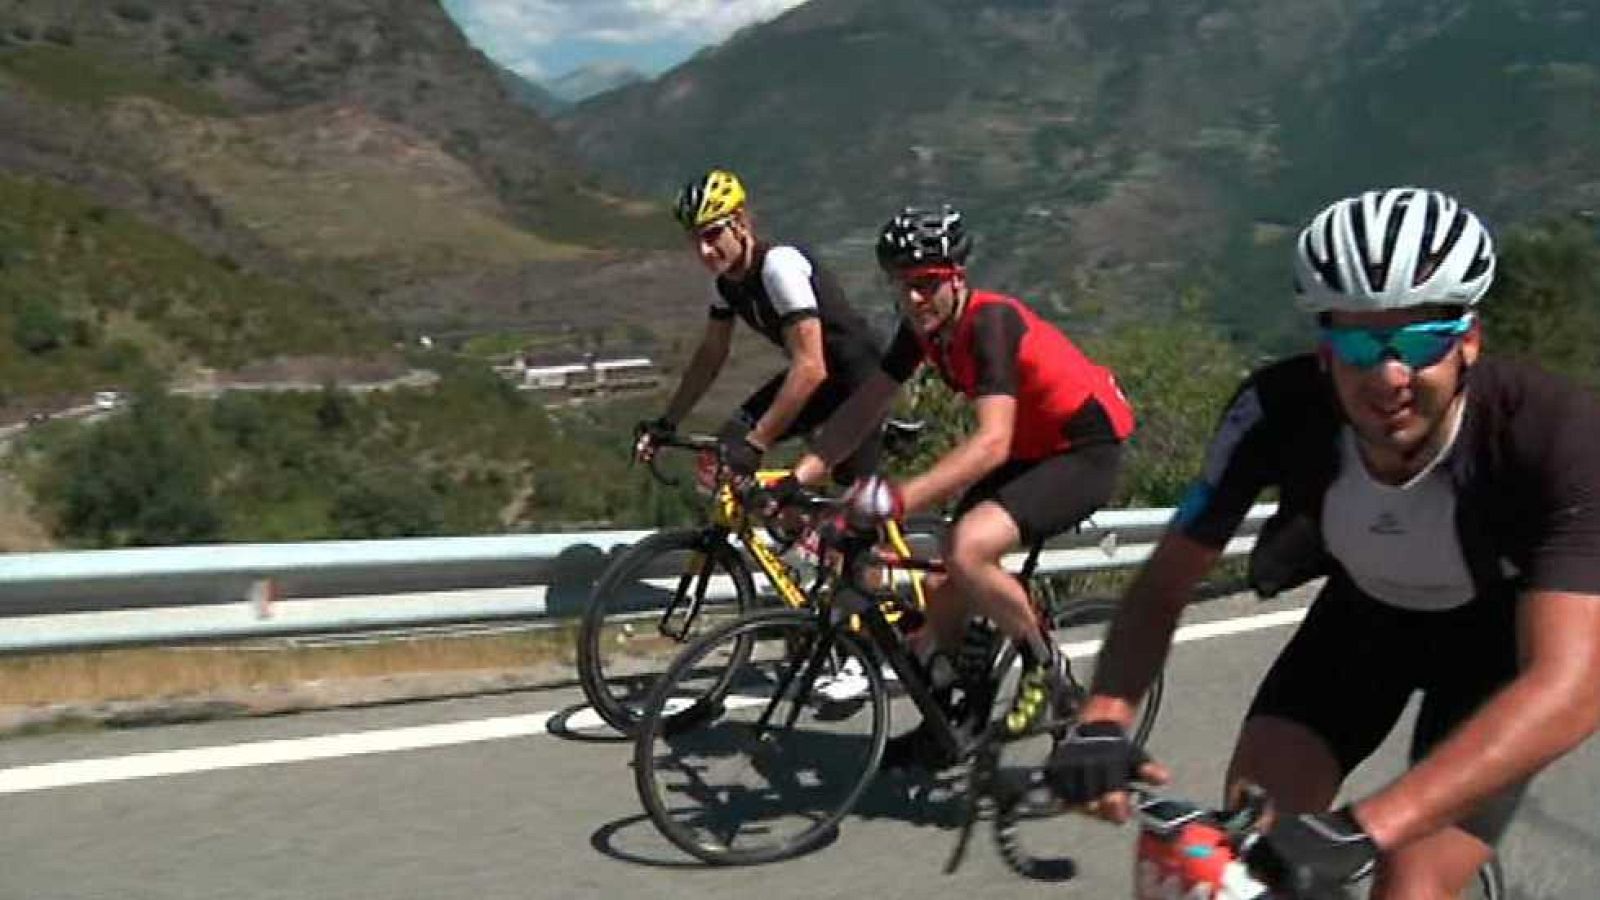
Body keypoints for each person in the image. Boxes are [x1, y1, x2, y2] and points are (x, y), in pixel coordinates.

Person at [1047, 187, 1600, 897]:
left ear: (1469, 340)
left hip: (1494, 649)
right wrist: (1103, 718)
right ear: (1324, 348)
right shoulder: (1275, 412)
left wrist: (1365, 825)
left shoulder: (1555, 435)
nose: (1388, 376)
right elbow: (1162, 585)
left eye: (1421, 341)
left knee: (1408, 878)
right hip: (1363, 623)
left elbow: (1570, 688)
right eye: (1360, 344)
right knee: (1252, 856)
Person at [782, 204, 1135, 763]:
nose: (914, 299)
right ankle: (954, 718)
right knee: (946, 590)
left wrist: (897, 500)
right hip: (1028, 449)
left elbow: (991, 442)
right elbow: (862, 409)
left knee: (968, 549)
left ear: (956, 278)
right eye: (902, 287)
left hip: (1083, 451)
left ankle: (1048, 671)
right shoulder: (922, 332)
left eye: (926, 284)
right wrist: (797, 476)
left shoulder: (990, 325)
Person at [633, 169, 885, 486]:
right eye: (695, 239)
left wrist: (758, 442)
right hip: (823, 380)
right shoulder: (724, 284)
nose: (704, 252)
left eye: (712, 236)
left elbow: (810, 367)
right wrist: (667, 422)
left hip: (861, 378)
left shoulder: (779, 267)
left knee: (856, 504)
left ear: (740, 222)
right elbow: (710, 357)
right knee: (725, 453)